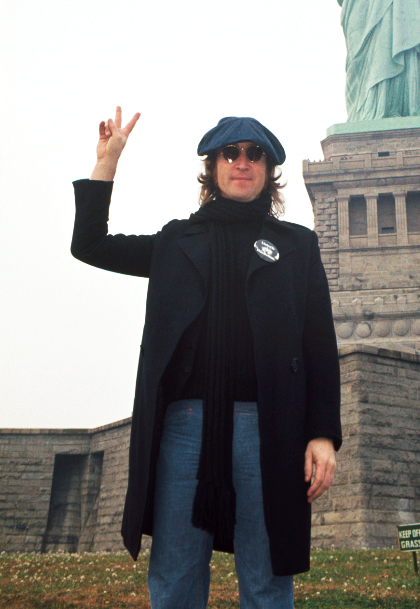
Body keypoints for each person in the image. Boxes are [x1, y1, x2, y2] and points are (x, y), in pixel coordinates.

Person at [71, 108, 342, 609]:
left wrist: (322, 434)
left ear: (268, 169)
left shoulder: (297, 247)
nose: (242, 162)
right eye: (230, 153)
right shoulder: (177, 241)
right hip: (184, 427)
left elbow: (319, 347)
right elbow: (89, 245)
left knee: (266, 581)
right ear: (213, 167)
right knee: (175, 579)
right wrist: (106, 165)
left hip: (270, 429)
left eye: (254, 153)